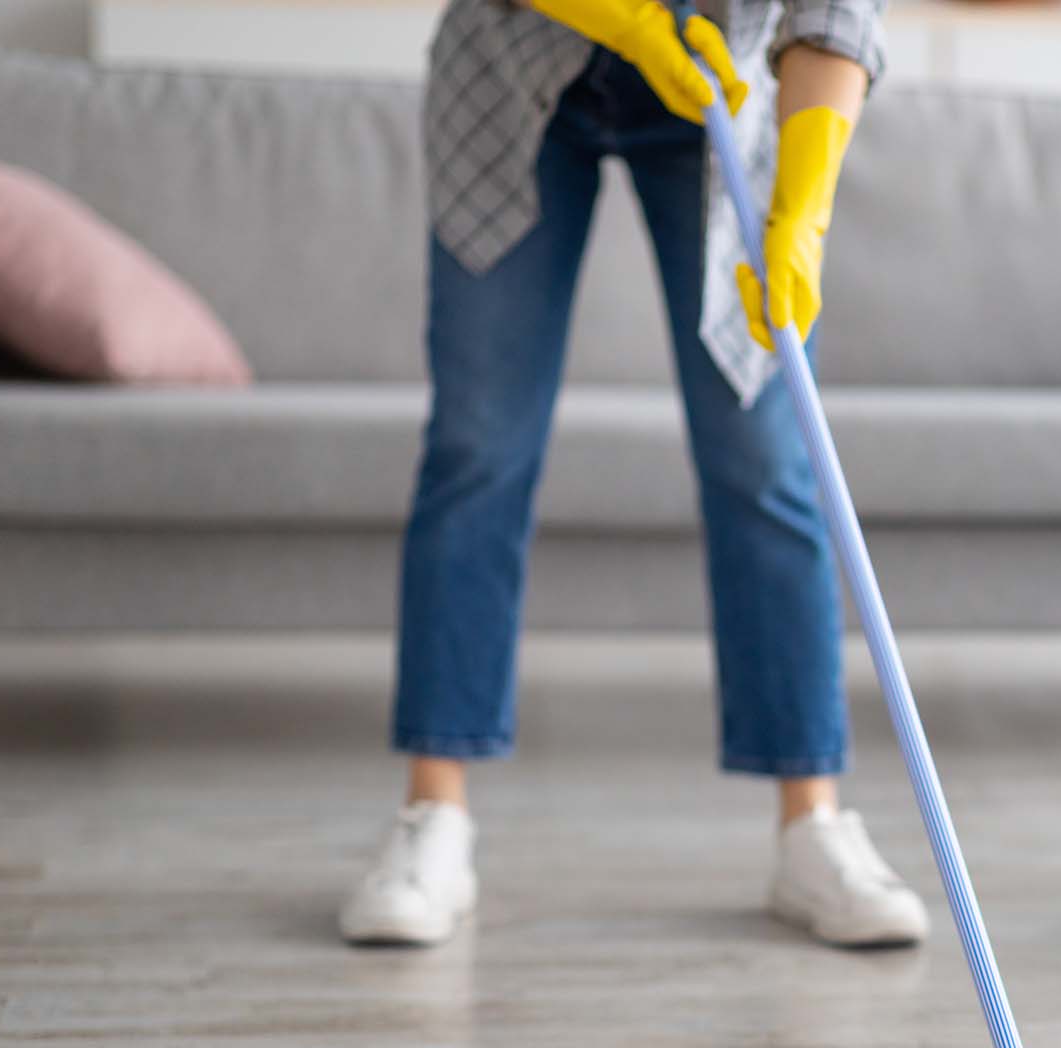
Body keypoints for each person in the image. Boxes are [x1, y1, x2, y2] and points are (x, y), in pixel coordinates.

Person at [339, 0, 928, 949]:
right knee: (479, 443)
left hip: (721, 86)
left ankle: (812, 827)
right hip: (514, 69)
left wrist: (805, 210)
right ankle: (432, 815)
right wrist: (633, 25)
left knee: (766, 452)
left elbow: (835, 14)